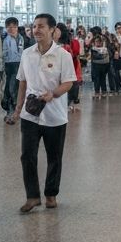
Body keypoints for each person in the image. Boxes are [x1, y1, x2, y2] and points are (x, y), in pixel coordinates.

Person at [14, 12, 75, 213]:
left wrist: (54, 93)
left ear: (52, 30)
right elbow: (22, 82)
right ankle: (32, 196)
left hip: (55, 115)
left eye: (41, 26)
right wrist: (18, 108)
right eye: (34, 26)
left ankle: (51, 194)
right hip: (30, 114)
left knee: (54, 156)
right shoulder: (27, 54)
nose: (36, 30)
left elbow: (68, 82)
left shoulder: (63, 55)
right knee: (27, 155)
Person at [2, 16, 24, 120]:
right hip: (8, 66)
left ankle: (15, 110)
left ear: (17, 27)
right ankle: (10, 109)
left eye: (14, 26)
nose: (11, 29)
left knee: (14, 88)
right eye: (9, 27)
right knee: (8, 88)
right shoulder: (4, 39)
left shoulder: (22, 38)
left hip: (19, 65)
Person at [90, 31, 111, 99]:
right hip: (96, 66)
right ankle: (97, 92)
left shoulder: (105, 48)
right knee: (97, 79)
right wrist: (103, 55)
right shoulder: (93, 49)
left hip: (103, 66)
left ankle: (104, 91)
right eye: (96, 41)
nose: (98, 43)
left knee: (103, 79)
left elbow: (107, 56)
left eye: (99, 41)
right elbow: (96, 56)